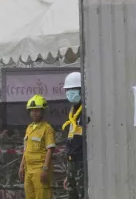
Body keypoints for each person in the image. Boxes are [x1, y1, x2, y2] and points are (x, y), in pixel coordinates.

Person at [19, 94, 55, 199]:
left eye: (37, 110)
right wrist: (21, 166)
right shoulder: (29, 128)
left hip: (40, 169)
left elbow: (50, 150)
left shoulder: (47, 129)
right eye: (32, 110)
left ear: (43, 112)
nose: (34, 113)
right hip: (28, 169)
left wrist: (45, 169)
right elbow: (25, 149)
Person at [62, 71, 85, 199]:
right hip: (71, 162)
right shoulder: (72, 112)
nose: (69, 93)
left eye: (73, 89)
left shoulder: (86, 111)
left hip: (82, 162)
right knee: (72, 194)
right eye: (68, 90)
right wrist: (69, 175)